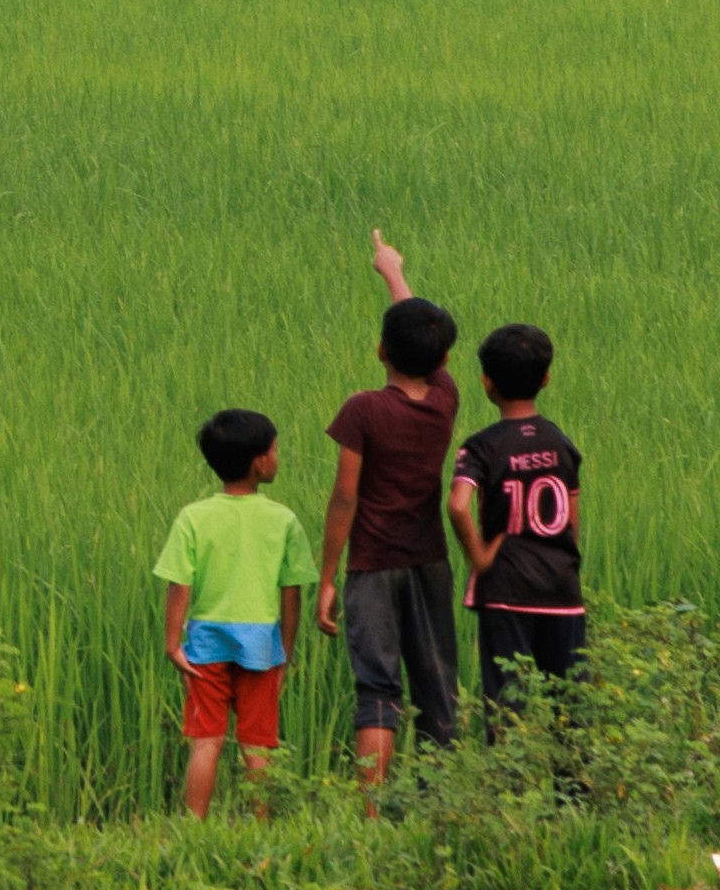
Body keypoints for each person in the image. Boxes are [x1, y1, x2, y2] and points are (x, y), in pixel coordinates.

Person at [315, 230, 467, 791]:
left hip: (373, 566)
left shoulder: (364, 409)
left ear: (380, 350)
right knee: (437, 685)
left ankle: (371, 815)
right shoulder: (447, 399)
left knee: (378, 689)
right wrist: (394, 273)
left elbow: (345, 498)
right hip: (429, 561)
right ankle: (440, 804)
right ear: (445, 359)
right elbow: (420, 329)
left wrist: (327, 577)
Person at [155, 408, 308, 816]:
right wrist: (285, 653)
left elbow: (179, 585)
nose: (277, 457)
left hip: (205, 643)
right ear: (260, 462)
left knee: (207, 741)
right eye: (275, 450)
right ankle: (260, 830)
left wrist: (173, 645)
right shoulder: (284, 521)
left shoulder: (194, 517)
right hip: (261, 645)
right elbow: (291, 595)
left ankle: (194, 825)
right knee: (257, 744)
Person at [453, 319, 586, 725]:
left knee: (507, 704)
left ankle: (508, 786)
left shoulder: (483, 445)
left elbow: (458, 505)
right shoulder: (560, 443)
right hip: (561, 589)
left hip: (507, 591)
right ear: (546, 378)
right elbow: (573, 523)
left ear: (486, 382)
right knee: (571, 706)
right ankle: (574, 790)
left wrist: (479, 555)